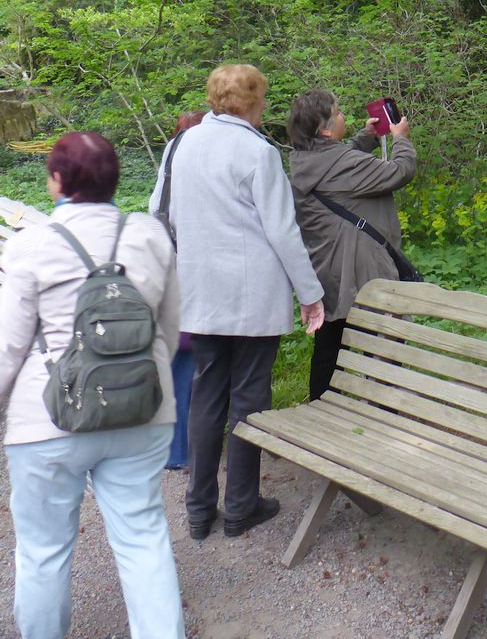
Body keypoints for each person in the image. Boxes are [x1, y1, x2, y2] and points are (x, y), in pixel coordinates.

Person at [0, 131, 185, 639]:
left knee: (42, 551)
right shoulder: (149, 235)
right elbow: (169, 330)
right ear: (115, 179)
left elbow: (8, 349)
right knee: (144, 538)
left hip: (48, 421)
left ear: (56, 180)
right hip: (141, 410)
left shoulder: (30, 245)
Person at [149, 63, 325, 540]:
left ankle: (198, 507)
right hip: (251, 297)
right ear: (251, 101)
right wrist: (310, 294)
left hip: (201, 293)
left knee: (206, 396)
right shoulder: (257, 151)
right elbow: (283, 231)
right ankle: (242, 505)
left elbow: (160, 212)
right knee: (249, 398)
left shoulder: (182, 145)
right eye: (262, 97)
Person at [287, 89, 417, 400]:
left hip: (327, 269)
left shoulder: (304, 161)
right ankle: (384, 415)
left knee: (330, 342)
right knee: (385, 343)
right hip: (363, 269)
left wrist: (364, 139)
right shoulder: (343, 163)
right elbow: (399, 171)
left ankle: (321, 411)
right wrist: (401, 139)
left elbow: (337, 168)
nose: (344, 115)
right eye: (339, 111)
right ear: (325, 128)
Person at [159, 110, 206, 471]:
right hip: (185, 265)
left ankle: (174, 449)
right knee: (188, 360)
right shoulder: (194, 149)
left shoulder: (172, 149)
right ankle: (182, 450)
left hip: (166, 262)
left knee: (177, 359)